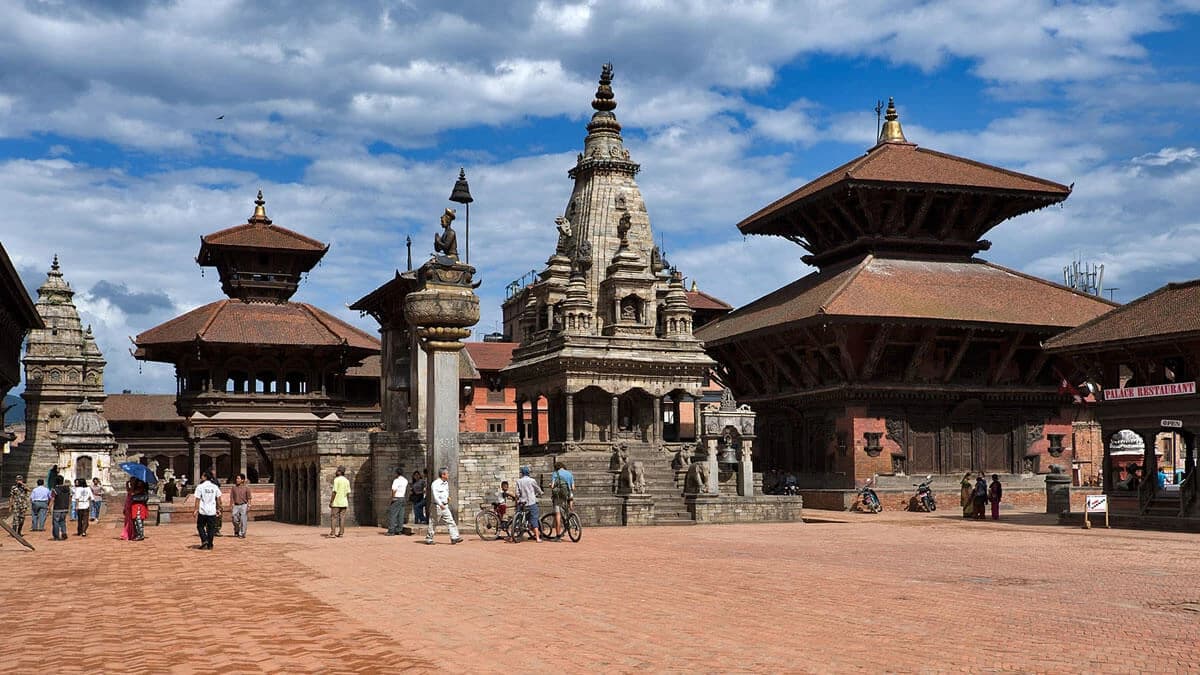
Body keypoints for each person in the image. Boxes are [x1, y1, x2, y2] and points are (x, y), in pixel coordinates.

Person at [425, 467, 462, 545]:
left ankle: (454, 537)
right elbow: (435, 496)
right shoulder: (435, 484)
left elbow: (446, 492)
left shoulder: (446, 483)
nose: (448, 475)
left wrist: (447, 498)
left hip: (445, 506)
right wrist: (440, 504)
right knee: (433, 522)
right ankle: (429, 538)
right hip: (437, 506)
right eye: (447, 473)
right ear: (443, 475)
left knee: (450, 521)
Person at [513, 466, 543, 543]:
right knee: (534, 518)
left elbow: (516, 493)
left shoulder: (518, 481)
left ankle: (513, 535)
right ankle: (537, 538)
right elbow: (538, 489)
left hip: (522, 502)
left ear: (522, 473)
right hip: (531, 502)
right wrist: (541, 493)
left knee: (518, 518)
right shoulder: (532, 481)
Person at [193, 471, 221, 550]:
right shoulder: (215, 487)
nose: (201, 477)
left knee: (200, 526)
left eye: (202, 475)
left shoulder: (200, 487)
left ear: (205, 477)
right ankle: (210, 544)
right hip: (212, 510)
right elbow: (219, 499)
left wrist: (196, 509)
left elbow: (197, 499)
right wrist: (218, 509)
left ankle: (204, 539)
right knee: (211, 528)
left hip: (203, 510)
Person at [550, 461, 575, 540]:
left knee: (558, 515)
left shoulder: (555, 473)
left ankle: (558, 536)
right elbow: (573, 487)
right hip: (568, 494)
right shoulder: (569, 474)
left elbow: (553, 486)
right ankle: (571, 516)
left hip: (558, 496)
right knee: (569, 501)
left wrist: (550, 485)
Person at [386, 466, 408, 536]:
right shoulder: (405, 480)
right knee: (401, 514)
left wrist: (392, 497)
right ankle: (399, 529)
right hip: (402, 497)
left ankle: (391, 530)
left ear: (396, 473)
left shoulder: (396, 480)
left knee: (392, 514)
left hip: (397, 497)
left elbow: (394, 489)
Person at [329, 466, 351, 538]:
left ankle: (333, 533)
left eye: (337, 471)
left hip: (336, 502)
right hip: (344, 502)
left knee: (334, 517)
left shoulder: (337, 480)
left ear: (340, 472)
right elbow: (348, 493)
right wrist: (346, 501)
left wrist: (331, 501)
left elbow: (334, 492)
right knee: (342, 518)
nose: (336, 472)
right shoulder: (347, 481)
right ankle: (341, 533)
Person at [229, 473, 252, 538]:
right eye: (236, 478)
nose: (237, 480)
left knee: (243, 519)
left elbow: (249, 498)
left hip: (244, 505)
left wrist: (249, 505)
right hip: (236, 505)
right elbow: (232, 497)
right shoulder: (234, 488)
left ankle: (242, 533)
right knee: (234, 518)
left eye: (238, 478)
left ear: (242, 480)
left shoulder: (246, 488)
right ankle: (237, 529)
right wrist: (231, 505)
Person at [50, 475, 71, 541]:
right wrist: (69, 506)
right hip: (65, 507)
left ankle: (56, 536)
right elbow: (70, 498)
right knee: (62, 521)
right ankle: (64, 532)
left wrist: (49, 507)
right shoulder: (67, 489)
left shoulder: (55, 489)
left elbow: (52, 499)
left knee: (56, 522)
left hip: (57, 508)